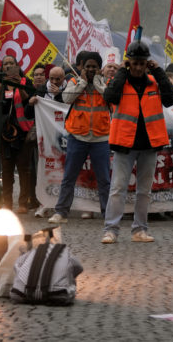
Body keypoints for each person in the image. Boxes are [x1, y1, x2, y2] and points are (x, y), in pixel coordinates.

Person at [100, 40, 173, 243]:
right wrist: (121, 72)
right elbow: (110, 96)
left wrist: (159, 71)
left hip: (149, 144)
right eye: (134, 63)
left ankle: (139, 230)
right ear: (128, 63)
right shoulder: (120, 81)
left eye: (142, 63)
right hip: (124, 144)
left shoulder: (154, 82)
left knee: (144, 191)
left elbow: (171, 99)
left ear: (147, 63)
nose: (138, 67)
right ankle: (111, 230)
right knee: (117, 188)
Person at [48, 51, 111, 223]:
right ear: (81, 68)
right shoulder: (75, 81)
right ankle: (61, 212)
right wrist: (82, 82)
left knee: (104, 180)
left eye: (94, 67)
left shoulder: (106, 83)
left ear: (100, 69)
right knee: (69, 177)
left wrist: (98, 83)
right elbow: (66, 99)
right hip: (77, 137)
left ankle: (108, 214)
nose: (91, 69)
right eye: (87, 66)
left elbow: (110, 98)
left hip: (101, 139)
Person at [0, 54, 36, 213]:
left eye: (11, 63)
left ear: (17, 66)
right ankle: (7, 203)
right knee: (6, 170)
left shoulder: (26, 82)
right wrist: (3, 85)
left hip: (23, 132)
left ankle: (22, 203)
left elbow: (28, 101)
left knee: (24, 169)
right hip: (5, 132)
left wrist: (19, 85)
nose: (8, 66)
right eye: (5, 64)